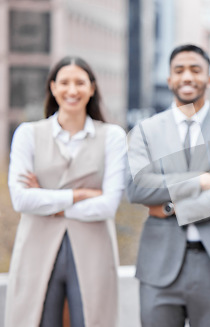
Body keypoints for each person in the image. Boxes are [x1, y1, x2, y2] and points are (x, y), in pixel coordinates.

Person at [126, 44, 210, 327]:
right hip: (158, 264)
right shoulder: (145, 131)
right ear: (169, 79)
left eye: (195, 70)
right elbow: (136, 188)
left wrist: (171, 206)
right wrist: (200, 180)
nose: (187, 77)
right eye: (179, 70)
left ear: (208, 79)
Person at [5, 56, 126, 327]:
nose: (72, 90)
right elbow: (21, 199)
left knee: (94, 318)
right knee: (34, 319)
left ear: (92, 88)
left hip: (94, 247)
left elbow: (108, 205)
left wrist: (47, 201)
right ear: (53, 87)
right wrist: (80, 194)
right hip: (35, 248)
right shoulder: (27, 133)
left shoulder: (113, 136)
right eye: (65, 83)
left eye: (80, 83)